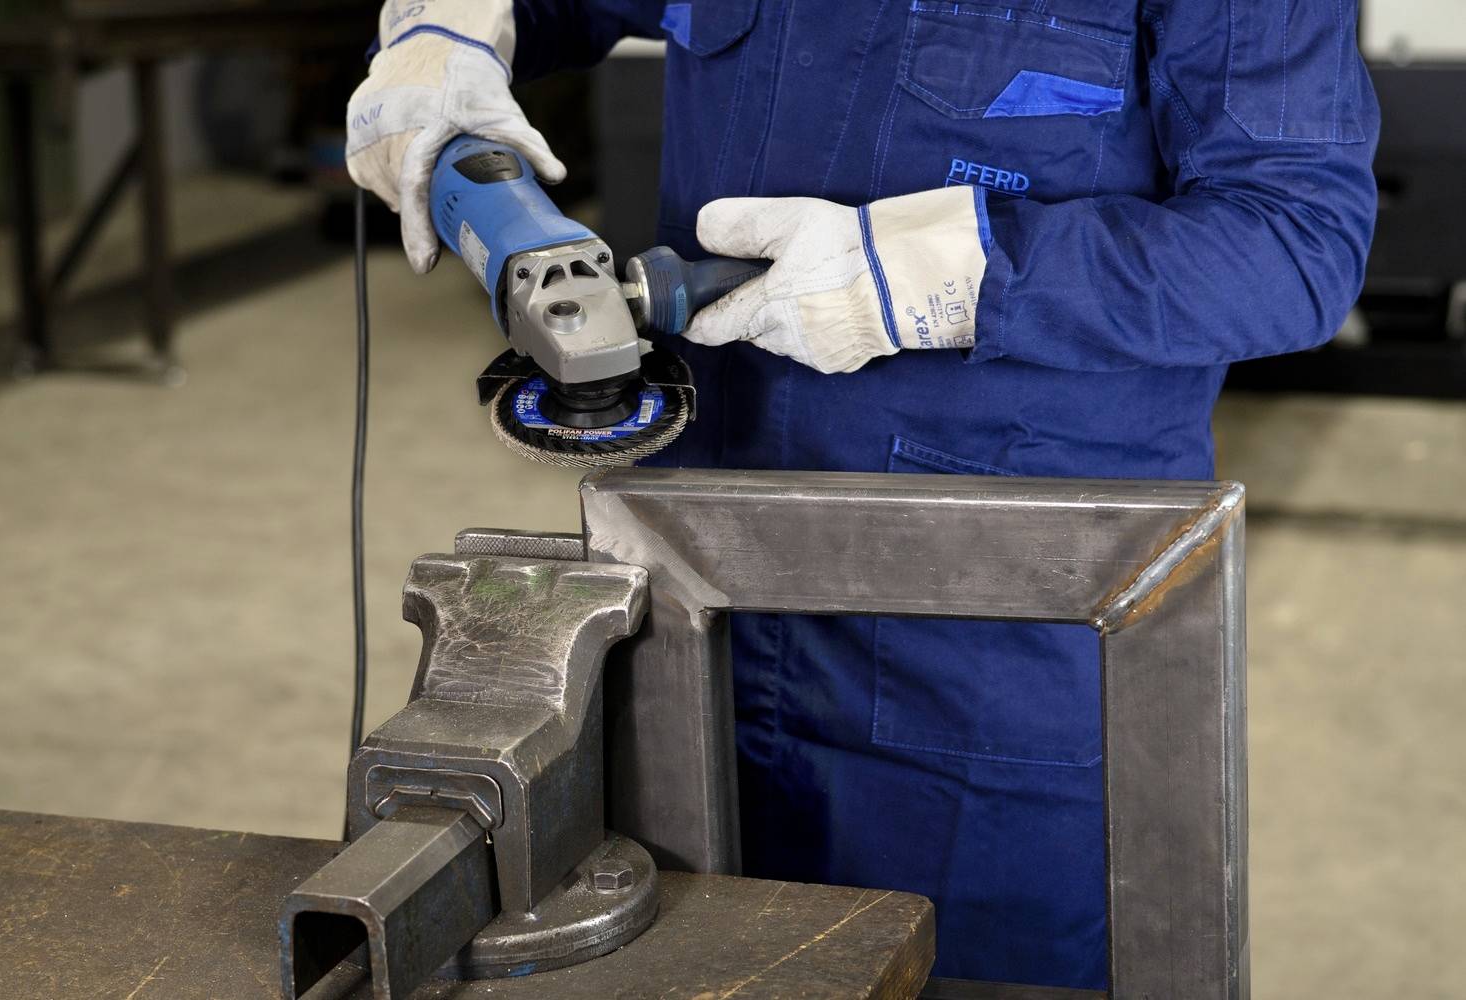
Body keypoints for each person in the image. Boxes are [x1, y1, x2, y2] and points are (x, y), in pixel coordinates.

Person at [346, 0, 1378, 988]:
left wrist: (943, 274)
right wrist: (447, 33)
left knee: (978, 975)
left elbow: (1294, 242)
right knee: (692, 961)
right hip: (688, 592)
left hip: (991, 648)